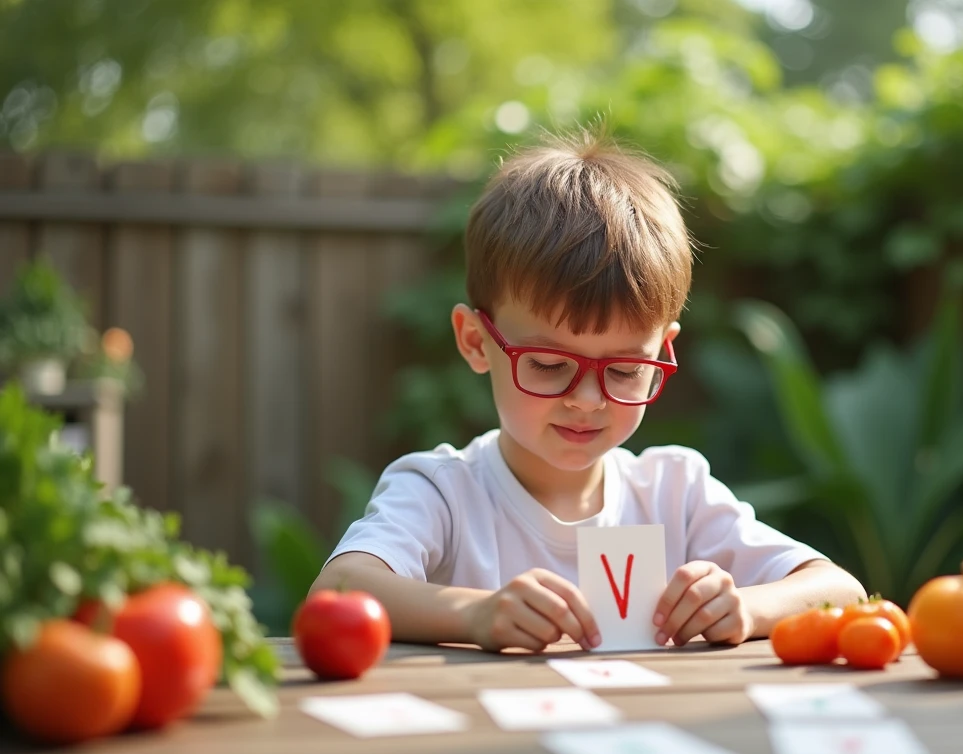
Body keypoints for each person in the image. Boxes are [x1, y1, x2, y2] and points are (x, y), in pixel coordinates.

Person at [311, 127, 866, 653]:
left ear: (662, 354)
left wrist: (745, 607)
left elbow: (840, 590)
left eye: (625, 370)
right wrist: (474, 614)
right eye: (550, 365)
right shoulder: (441, 493)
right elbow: (337, 589)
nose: (588, 400)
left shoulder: (676, 492)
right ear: (477, 341)